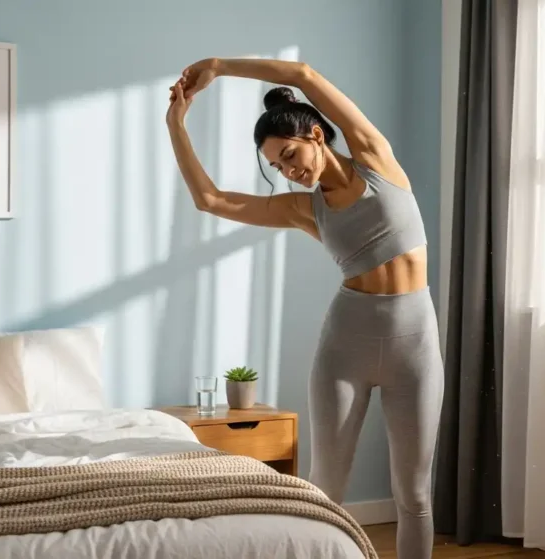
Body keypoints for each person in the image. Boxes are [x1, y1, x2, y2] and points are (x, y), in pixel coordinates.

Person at [165, 57, 443, 559]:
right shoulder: (302, 209)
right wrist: (176, 125)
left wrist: (217, 66)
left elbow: (303, 76)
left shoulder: (375, 159)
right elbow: (210, 200)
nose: (289, 171)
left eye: (290, 155)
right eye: (278, 166)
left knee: (415, 495)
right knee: (325, 491)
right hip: (347, 345)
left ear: (316, 135)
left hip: (416, 345)